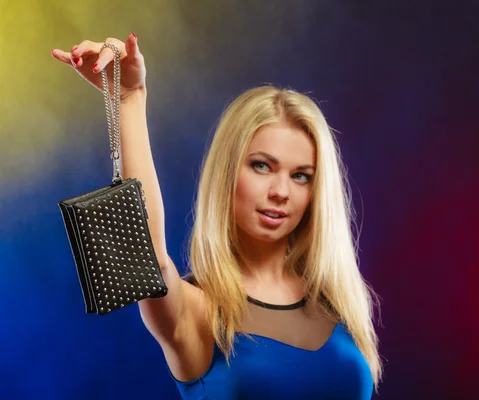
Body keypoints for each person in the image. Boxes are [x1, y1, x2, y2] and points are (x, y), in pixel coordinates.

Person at [52, 33, 383, 399]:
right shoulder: (197, 311)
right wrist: (130, 99)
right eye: (261, 166)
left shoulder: (339, 301)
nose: (281, 191)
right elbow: (151, 261)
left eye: (300, 175)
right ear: (227, 173)